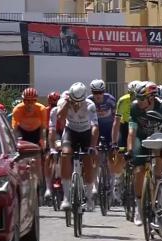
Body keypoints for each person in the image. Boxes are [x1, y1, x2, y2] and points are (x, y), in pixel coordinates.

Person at [127, 81, 162, 226]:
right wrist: (130, 150)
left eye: (141, 99)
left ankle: (159, 205)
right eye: (137, 98)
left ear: (151, 98)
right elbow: (131, 131)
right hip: (142, 138)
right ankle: (139, 208)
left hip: (158, 138)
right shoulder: (134, 108)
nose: (138, 102)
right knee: (138, 170)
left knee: (159, 167)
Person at [57, 82, 99, 211]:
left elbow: (95, 127)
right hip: (71, 131)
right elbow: (60, 118)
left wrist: (92, 146)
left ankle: (89, 195)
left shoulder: (90, 105)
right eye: (74, 101)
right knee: (65, 154)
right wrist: (66, 104)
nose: (76, 104)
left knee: (87, 158)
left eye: (79, 102)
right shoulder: (63, 102)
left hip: (86, 132)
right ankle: (66, 197)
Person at [87, 79, 116, 197]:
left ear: (103, 92)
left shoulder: (110, 99)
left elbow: (115, 117)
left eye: (100, 92)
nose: (98, 95)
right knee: (95, 156)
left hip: (109, 129)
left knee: (111, 157)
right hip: (95, 129)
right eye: (95, 92)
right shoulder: (89, 100)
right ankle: (95, 183)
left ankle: (113, 185)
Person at [44, 91, 62, 199]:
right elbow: (45, 128)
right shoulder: (46, 111)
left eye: (56, 104)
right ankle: (48, 188)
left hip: (61, 132)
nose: (54, 107)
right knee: (48, 157)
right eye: (52, 104)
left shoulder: (62, 109)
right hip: (50, 133)